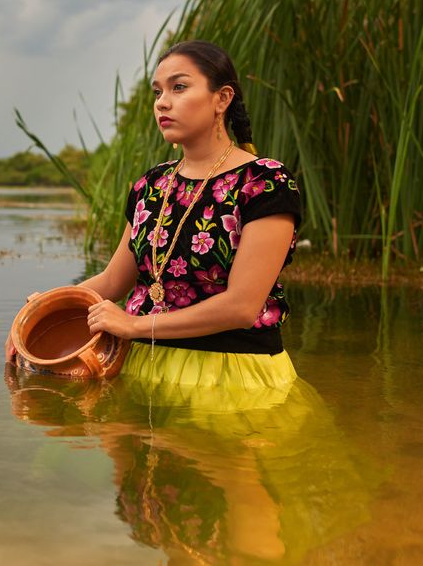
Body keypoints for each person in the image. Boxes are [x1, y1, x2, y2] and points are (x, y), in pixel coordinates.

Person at [28, 39, 302, 390]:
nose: (163, 103)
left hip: (231, 374)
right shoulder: (151, 184)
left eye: (179, 87)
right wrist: (44, 309)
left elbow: (242, 306)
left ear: (222, 98)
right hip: (139, 363)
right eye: (157, 92)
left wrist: (134, 325)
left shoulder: (265, 182)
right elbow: (113, 282)